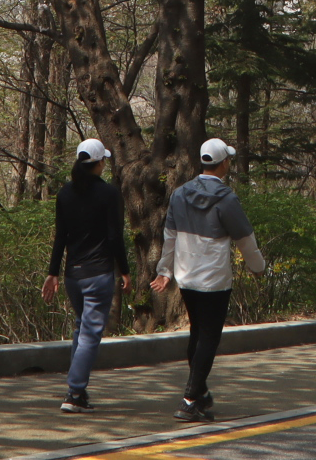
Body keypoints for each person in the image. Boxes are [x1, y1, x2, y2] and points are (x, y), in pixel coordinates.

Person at [151, 137, 268, 424]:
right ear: (224, 163)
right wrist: (257, 267)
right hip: (214, 279)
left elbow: (169, 237)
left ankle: (200, 393)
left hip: (186, 276)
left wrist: (165, 271)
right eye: (229, 159)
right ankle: (190, 400)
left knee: (198, 334)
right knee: (208, 337)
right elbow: (245, 239)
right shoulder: (226, 199)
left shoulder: (180, 194)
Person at [42, 137, 130, 414]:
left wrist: (53, 273)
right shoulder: (110, 194)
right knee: (90, 334)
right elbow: (115, 236)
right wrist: (125, 270)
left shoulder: (65, 194)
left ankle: (78, 393)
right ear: (100, 163)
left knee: (81, 329)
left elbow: (61, 237)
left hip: (73, 276)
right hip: (99, 274)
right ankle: (74, 392)